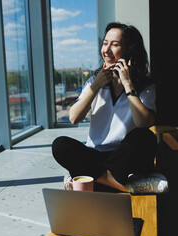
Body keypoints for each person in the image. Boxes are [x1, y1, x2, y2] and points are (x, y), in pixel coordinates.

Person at [52, 22, 168, 194]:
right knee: (60, 145)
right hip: (96, 155)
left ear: (129, 50)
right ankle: (127, 186)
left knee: (145, 137)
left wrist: (128, 85)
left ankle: (85, 176)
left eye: (114, 44)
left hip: (124, 156)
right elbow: (73, 118)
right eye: (105, 43)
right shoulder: (93, 82)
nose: (106, 50)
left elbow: (144, 123)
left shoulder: (145, 86)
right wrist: (96, 85)